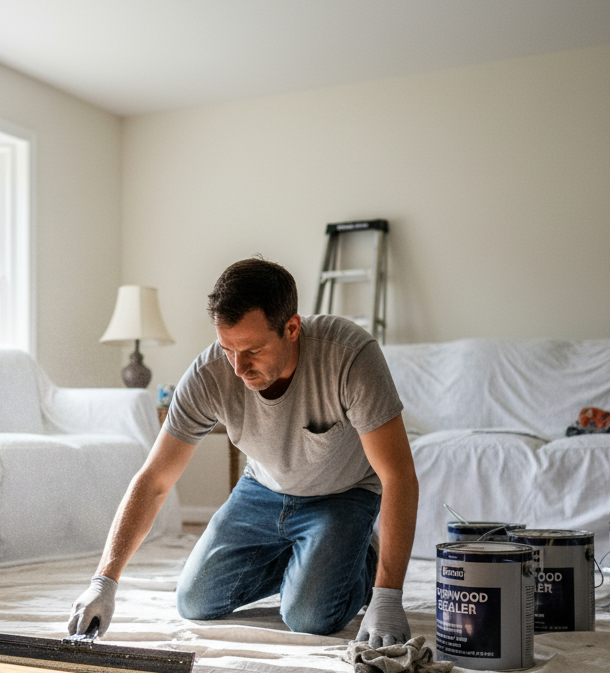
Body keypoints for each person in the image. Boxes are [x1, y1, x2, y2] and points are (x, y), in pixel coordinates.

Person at [68, 257, 419, 648]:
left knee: (308, 616)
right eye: (228, 349)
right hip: (262, 490)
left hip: (342, 495)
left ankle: (361, 559)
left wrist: (388, 595)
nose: (238, 368)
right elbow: (154, 480)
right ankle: (311, 561)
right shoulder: (209, 374)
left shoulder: (350, 356)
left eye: (253, 350)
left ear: (291, 328)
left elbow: (398, 475)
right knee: (194, 601)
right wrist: (104, 581)